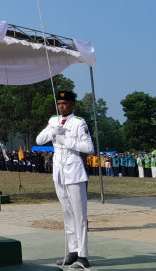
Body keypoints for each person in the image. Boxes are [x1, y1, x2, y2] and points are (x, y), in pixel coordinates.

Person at [36, 90, 94, 270]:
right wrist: (53, 132)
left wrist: (65, 140)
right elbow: (39, 139)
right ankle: (73, 251)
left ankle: (83, 256)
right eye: (60, 104)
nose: (62, 106)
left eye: (65, 103)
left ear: (72, 105)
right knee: (67, 213)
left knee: (79, 215)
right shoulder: (53, 121)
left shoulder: (79, 123)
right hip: (59, 173)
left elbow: (89, 147)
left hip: (75, 172)